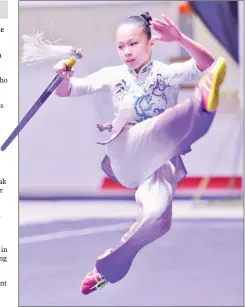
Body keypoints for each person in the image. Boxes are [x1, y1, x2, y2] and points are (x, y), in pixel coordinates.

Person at [53, 12, 226, 294]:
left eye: (133, 44)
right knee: (152, 127)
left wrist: (180, 38)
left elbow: (207, 63)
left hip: (159, 162)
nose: (127, 52)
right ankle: (200, 106)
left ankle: (111, 267)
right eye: (121, 46)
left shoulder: (166, 73)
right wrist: (63, 76)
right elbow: (67, 90)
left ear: (150, 43)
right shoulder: (112, 74)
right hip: (126, 151)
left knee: (157, 218)